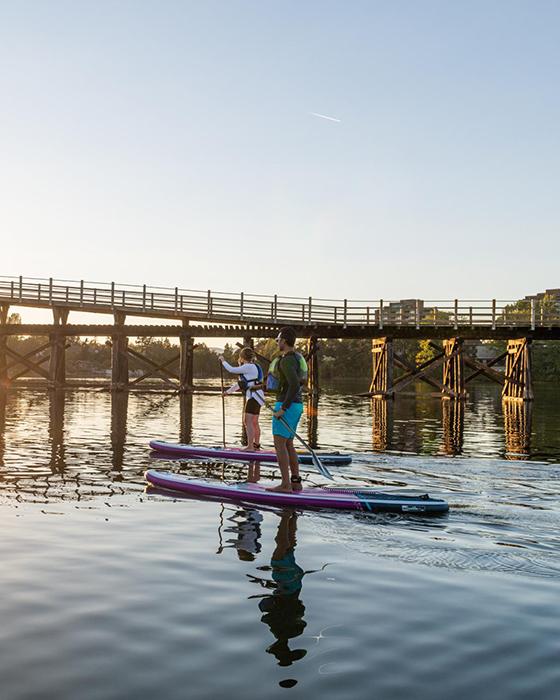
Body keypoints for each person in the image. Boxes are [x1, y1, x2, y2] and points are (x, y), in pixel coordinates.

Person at [268, 327, 304, 493]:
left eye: (278, 339)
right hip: (297, 405)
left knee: (279, 445)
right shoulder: (296, 358)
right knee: (288, 444)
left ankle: (285, 485)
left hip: (287, 406)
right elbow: (292, 384)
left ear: (284, 341)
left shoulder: (286, 360)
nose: (277, 342)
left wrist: (283, 408)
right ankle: (295, 482)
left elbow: (294, 384)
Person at [219, 347, 265, 451]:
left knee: (247, 421)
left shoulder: (248, 366)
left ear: (242, 357)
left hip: (253, 397)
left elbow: (231, 369)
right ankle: (256, 445)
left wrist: (223, 361)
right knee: (254, 422)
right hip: (259, 397)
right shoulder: (254, 367)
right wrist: (227, 392)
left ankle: (250, 447)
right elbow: (239, 385)